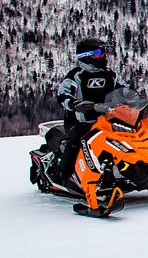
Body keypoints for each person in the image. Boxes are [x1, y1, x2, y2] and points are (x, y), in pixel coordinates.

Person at [51, 37, 130, 184]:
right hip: (80, 120)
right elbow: (63, 94)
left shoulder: (110, 75)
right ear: (87, 56)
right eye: (100, 53)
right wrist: (74, 103)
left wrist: (133, 97)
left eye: (105, 52)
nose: (104, 56)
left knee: (126, 139)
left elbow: (125, 88)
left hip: (106, 120)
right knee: (75, 142)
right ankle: (64, 175)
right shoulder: (76, 75)